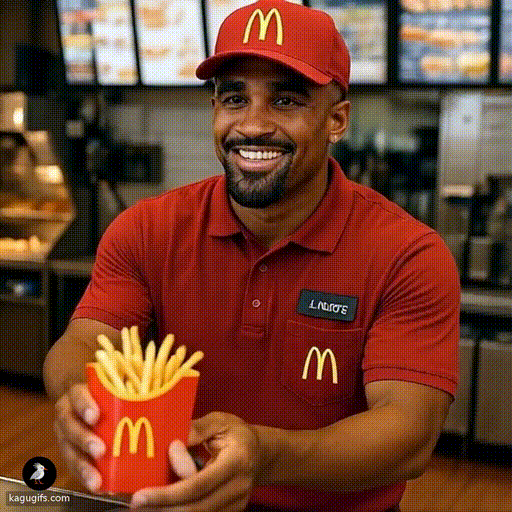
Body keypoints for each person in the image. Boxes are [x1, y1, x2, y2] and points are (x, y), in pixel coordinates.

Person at [43, 1, 460, 511]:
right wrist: (75, 399)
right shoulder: (146, 230)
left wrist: (259, 453)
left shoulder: (408, 254)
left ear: (337, 120)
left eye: (286, 100)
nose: (253, 126)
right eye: (234, 97)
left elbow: (409, 433)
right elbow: (84, 341)